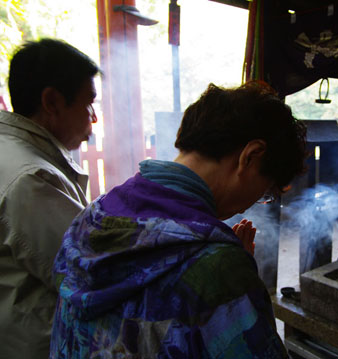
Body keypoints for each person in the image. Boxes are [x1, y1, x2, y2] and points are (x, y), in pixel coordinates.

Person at [50, 82, 307, 358]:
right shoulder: (220, 269)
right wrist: (234, 280)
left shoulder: (89, 218)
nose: (254, 202)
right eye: (264, 191)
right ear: (251, 156)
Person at [0, 38, 99, 358]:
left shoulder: (13, 156)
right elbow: (94, 273)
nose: (93, 117)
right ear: (52, 101)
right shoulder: (31, 179)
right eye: (88, 102)